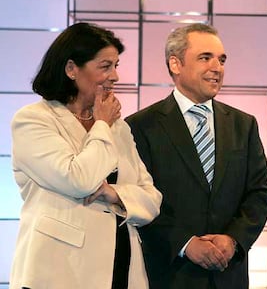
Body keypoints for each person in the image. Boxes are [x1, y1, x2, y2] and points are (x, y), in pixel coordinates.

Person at [9, 22, 162, 289]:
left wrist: (114, 194)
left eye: (116, 65)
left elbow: (151, 199)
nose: (114, 75)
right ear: (71, 69)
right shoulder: (33, 120)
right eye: (105, 66)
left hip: (121, 270)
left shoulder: (119, 127)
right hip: (59, 272)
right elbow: (78, 179)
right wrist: (101, 124)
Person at [125, 23, 267, 289]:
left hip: (228, 275)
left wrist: (233, 240)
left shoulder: (244, 124)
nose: (217, 67)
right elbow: (136, 197)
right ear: (175, 64)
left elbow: (259, 192)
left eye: (222, 59)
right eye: (205, 58)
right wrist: (185, 243)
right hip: (169, 275)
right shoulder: (139, 126)